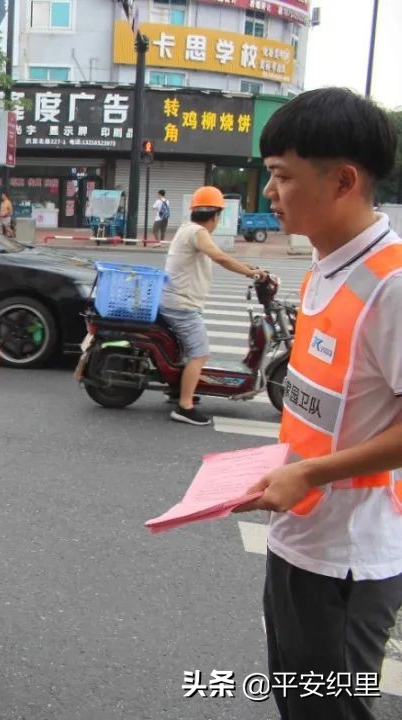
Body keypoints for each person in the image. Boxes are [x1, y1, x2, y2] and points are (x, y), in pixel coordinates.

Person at [236, 87, 402, 720]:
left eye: (282, 176)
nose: (268, 192)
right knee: (299, 704)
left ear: (343, 180)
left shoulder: (391, 284)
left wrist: (308, 472)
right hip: (302, 533)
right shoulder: (325, 263)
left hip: (348, 562)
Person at [158, 185, 261, 426]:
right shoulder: (198, 233)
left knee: (186, 350)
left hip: (177, 300)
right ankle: (184, 406)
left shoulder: (187, 229)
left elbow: (218, 254)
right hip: (181, 305)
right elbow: (221, 257)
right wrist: (250, 274)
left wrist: (250, 267)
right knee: (200, 353)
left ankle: (177, 389)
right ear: (216, 215)